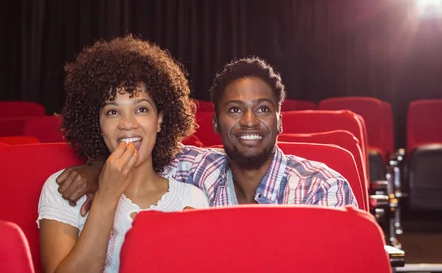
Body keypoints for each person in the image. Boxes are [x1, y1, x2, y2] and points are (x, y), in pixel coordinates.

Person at [37, 35, 210, 273]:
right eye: (112, 111)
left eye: (141, 109)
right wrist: (107, 194)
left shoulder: (191, 198)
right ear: (97, 124)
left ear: (160, 120)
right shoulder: (65, 188)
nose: (127, 124)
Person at [57, 56, 358, 213]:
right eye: (235, 110)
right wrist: (96, 169)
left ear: (280, 121)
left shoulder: (322, 187)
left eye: (263, 109)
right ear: (215, 124)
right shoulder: (193, 169)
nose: (250, 122)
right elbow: (136, 145)